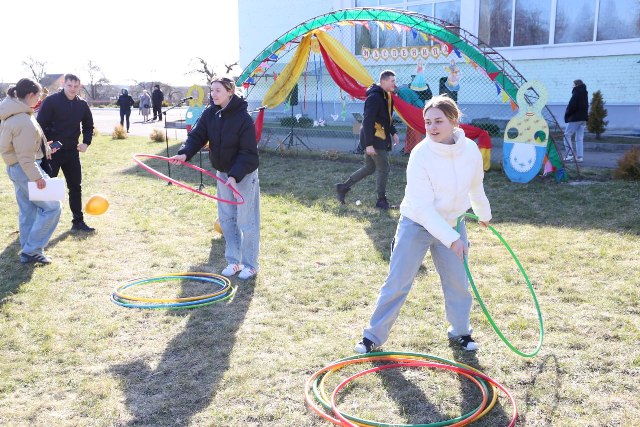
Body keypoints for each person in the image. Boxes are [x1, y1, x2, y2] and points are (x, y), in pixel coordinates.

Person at [354, 95, 492, 354]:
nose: (432, 127)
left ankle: (460, 331)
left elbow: (476, 186)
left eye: (438, 121)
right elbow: (423, 208)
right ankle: (372, 337)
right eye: (428, 122)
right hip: (417, 224)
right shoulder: (421, 154)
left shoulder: (470, 150)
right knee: (398, 281)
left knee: (458, 282)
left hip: (453, 223)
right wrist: (452, 239)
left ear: (454, 121)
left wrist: (484, 213)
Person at [169, 77, 260, 280]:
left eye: (218, 90)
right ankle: (234, 262)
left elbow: (248, 153)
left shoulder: (243, 118)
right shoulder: (210, 113)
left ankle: (250, 265)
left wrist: (235, 176)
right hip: (223, 172)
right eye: (212, 90)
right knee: (227, 219)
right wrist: (184, 153)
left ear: (230, 91)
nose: (213, 94)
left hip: (243, 174)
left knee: (246, 220)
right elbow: (197, 136)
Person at [0, 78, 62, 263]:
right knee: (53, 207)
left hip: (17, 168)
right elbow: (25, 156)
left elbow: (19, 146)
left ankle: (28, 249)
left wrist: (45, 149)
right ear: (30, 95)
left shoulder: (13, 113)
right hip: (26, 169)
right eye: (38, 95)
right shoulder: (23, 120)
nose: (39, 99)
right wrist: (37, 178)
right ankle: (32, 249)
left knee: (28, 210)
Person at [37, 73, 95, 232]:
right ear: (63, 84)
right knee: (47, 189)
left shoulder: (82, 104)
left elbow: (88, 125)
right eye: (69, 85)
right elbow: (39, 126)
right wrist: (46, 146)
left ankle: (78, 221)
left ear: (80, 86)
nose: (72, 89)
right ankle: (41, 226)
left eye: (76, 86)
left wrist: (86, 142)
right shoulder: (51, 101)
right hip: (52, 153)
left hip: (72, 152)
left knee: (75, 187)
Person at [336, 70, 399, 210]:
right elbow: (368, 121)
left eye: (394, 81)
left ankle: (343, 187)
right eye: (392, 81)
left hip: (379, 137)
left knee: (370, 168)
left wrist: (393, 132)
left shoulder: (387, 97)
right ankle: (381, 200)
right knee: (384, 168)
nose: (395, 84)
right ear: (383, 81)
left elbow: (386, 118)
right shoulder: (374, 98)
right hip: (374, 139)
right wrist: (369, 144)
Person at [563, 79, 588, 162]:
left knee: (566, 135)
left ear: (577, 85)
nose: (572, 86)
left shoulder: (576, 92)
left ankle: (570, 155)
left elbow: (572, 106)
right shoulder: (584, 93)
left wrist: (567, 115)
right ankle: (580, 157)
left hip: (575, 118)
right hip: (583, 118)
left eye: (573, 85)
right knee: (579, 138)